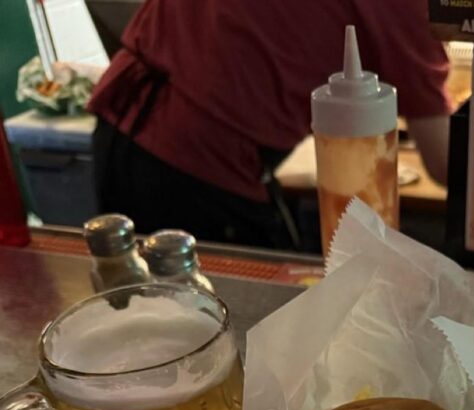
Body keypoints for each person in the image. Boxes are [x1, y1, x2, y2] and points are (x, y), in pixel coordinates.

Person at [89, 0, 452, 249]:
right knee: (229, 332)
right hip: (197, 165)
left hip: (122, 117)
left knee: (152, 318)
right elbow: (445, 162)